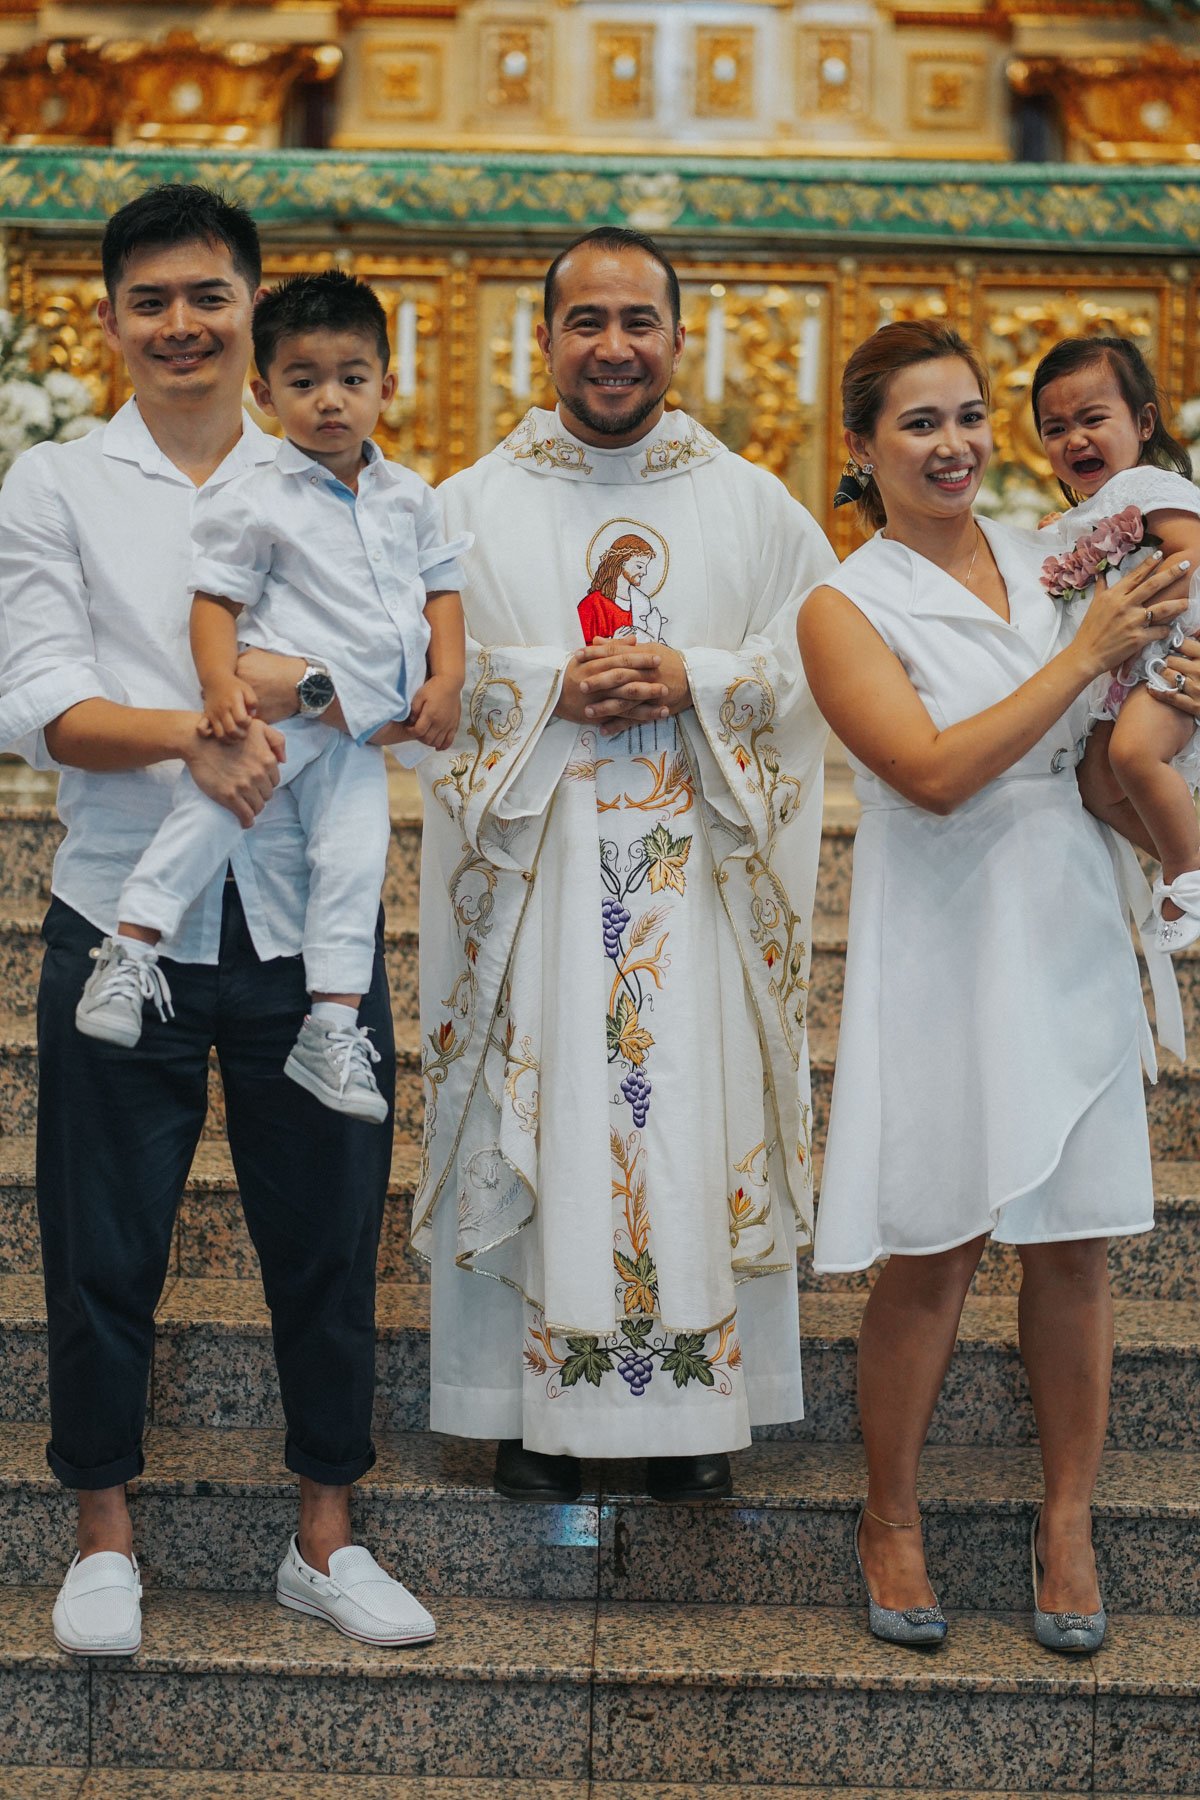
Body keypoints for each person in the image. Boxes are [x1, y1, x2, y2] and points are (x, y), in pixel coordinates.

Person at [0, 186, 435, 1655]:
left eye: (208, 296)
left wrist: (324, 691)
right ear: (108, 320)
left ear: (255, 310)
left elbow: (391, 670)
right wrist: (199, 735)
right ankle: (102, 1537)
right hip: (122, 907)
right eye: (151, 301)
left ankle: (326, 1537)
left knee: (329, 1237)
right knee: (101, 1242)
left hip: (305, 925)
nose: (180, 323)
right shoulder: (57, 483)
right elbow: (36, 699)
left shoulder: (342, 468)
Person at [413, 226, 836, 1504]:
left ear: (678, 338)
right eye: (586, 322)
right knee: (544, 1112)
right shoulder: (468, 507)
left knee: (688, 1112)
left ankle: (695, 1412)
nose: (613, 347)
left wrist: (695, 676)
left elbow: (822, 662)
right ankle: (530, 1413)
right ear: (542, 338)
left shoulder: (751, 503)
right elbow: (421, 681)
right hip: (539, 886)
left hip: (696, 886)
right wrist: (551, 687)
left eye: (638, 321)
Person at [801, 321, 1190, 1651]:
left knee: (1073, 1242)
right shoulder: (847, 604)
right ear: (864, 447)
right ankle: (889, 1514)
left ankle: (1068, 1519)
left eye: (970, 416)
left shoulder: (1056, 553)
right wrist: (1081, 659)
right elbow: (928, 771)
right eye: (920, 423)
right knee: (935, 1239)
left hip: (1066, 912)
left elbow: (1120, 726)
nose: (954, 445)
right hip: (945, 926)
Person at [73, 269, 467, 1127]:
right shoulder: (254, 497)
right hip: (287, 714)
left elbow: (442, 588)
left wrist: (448, 678)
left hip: (359, 736)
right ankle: (131, 949)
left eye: (351, 379)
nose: (330, 401)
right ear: (266, 393)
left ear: (386, 387)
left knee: (355, 862)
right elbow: (214, 601)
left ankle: (332, 1028)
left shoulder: (411, 496)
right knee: (213, 813)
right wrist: (220, 685)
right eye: (303, 381)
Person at [1032, 335, 1200, 952]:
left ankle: (1185, 872)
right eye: (1055, 428)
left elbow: (1192, 551)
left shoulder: (1148, 486)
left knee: (1133, 755)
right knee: (1097, 786)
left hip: (1171, 654)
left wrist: (1140, 615)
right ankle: (1190, 853)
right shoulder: (1096, 508)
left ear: (1144, 422)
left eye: (1092, 419)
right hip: (1125, 668)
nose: (1074, 439)